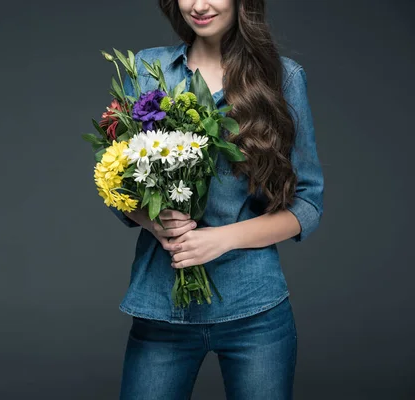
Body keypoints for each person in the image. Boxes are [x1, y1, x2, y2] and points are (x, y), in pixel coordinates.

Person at [107, 0, 325, 399]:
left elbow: (307, 205)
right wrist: (155, 221)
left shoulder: (283, 77)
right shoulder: (146, 71)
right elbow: (116, 182)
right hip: (162, 310)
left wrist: (222, 239)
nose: (199, 4)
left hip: (255, 312)